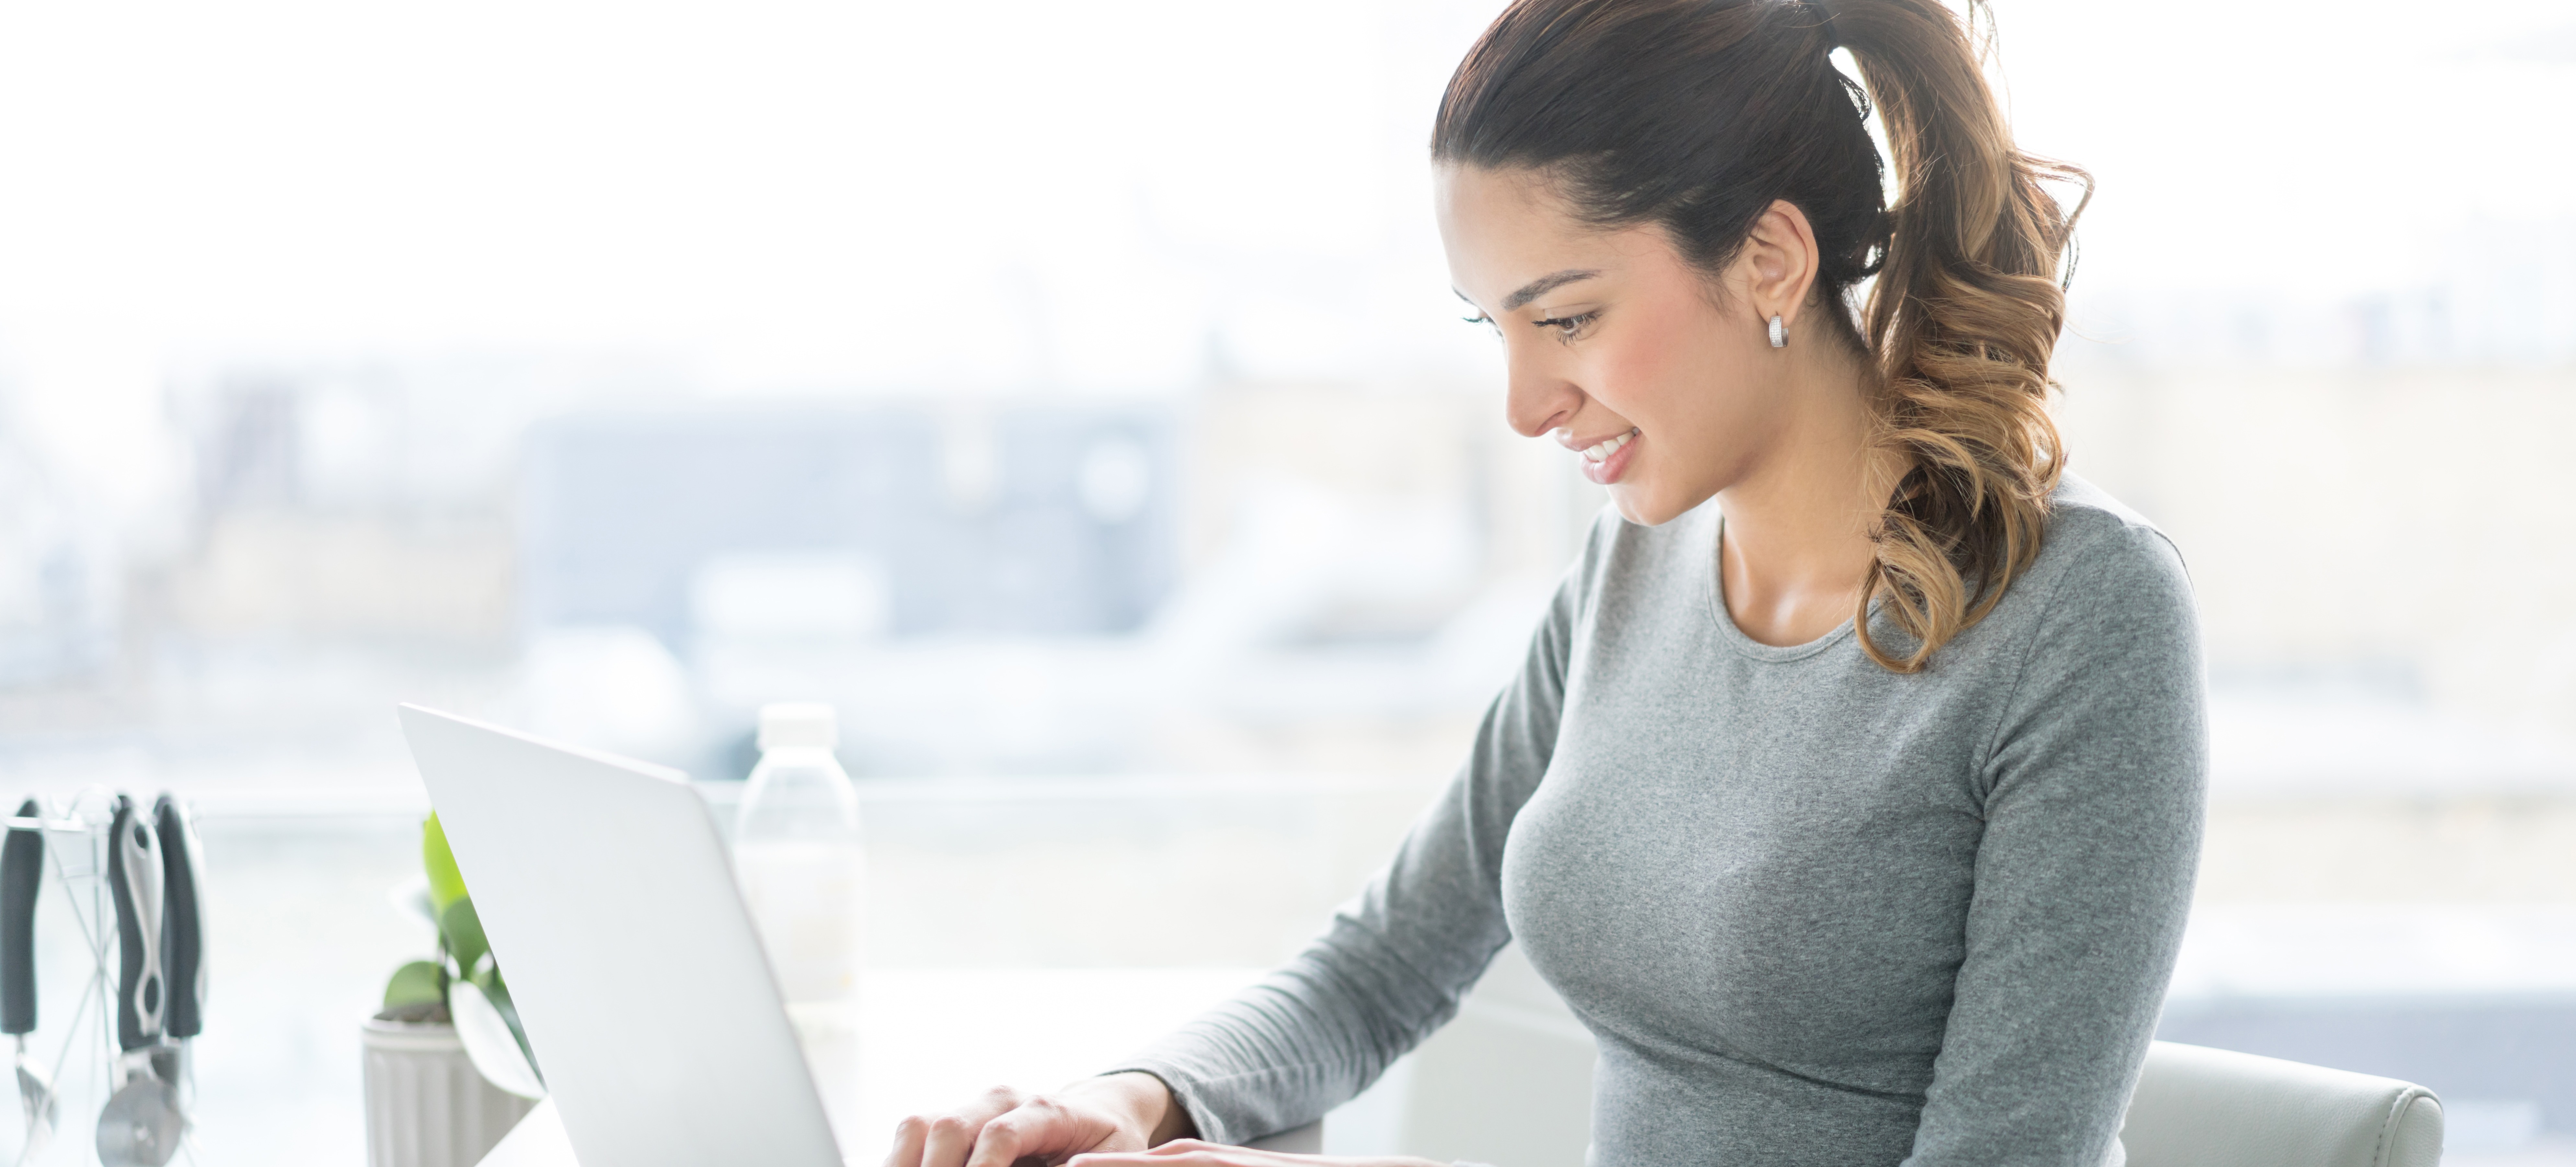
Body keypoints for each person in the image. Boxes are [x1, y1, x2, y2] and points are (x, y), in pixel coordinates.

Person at [886, 0, 2202, 1162]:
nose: (1522, 405)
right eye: (1493, 327)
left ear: (1769, 260)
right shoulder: (1636, 558)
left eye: (1565, 319)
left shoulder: (2086, 616)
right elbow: (1383, 964)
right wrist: (1138, 1095)